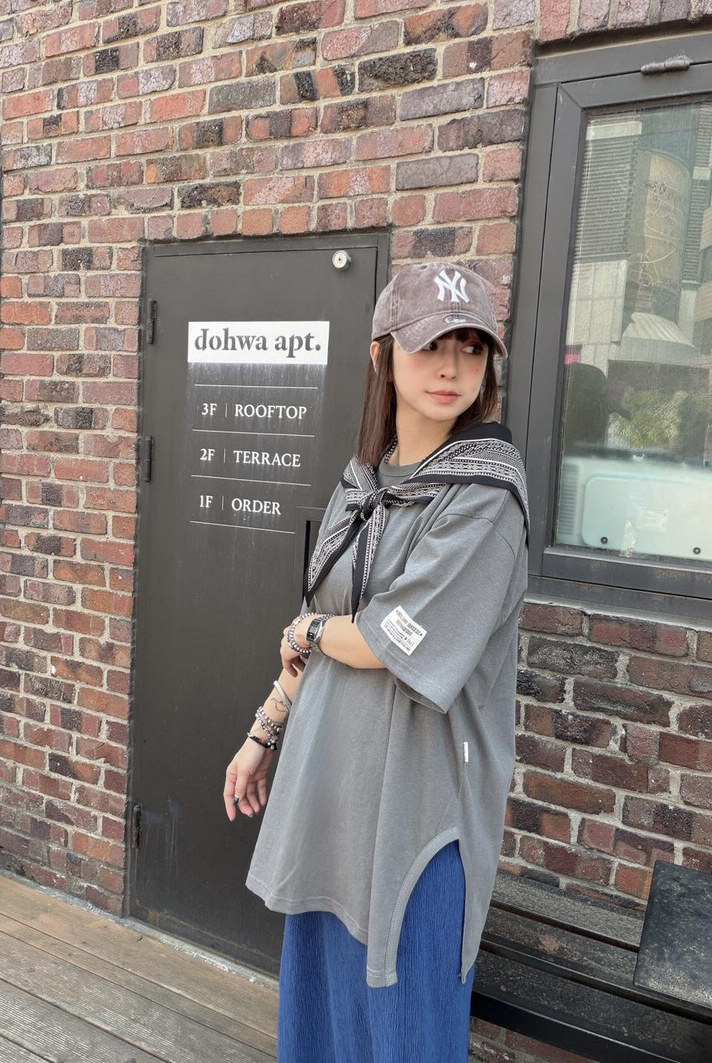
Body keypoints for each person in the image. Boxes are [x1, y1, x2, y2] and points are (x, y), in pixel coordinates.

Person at [223, 261, 530, 1063]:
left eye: (471, 347)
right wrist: (264, 732)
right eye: (431, 345)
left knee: (402, 1026)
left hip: (415, 811)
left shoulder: (485, 497)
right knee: (323, 1024)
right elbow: (321, 629)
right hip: (328, 791)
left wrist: (313, 631)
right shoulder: (363, 483)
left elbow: (392, 640)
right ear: (382, 355)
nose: (451, 367)